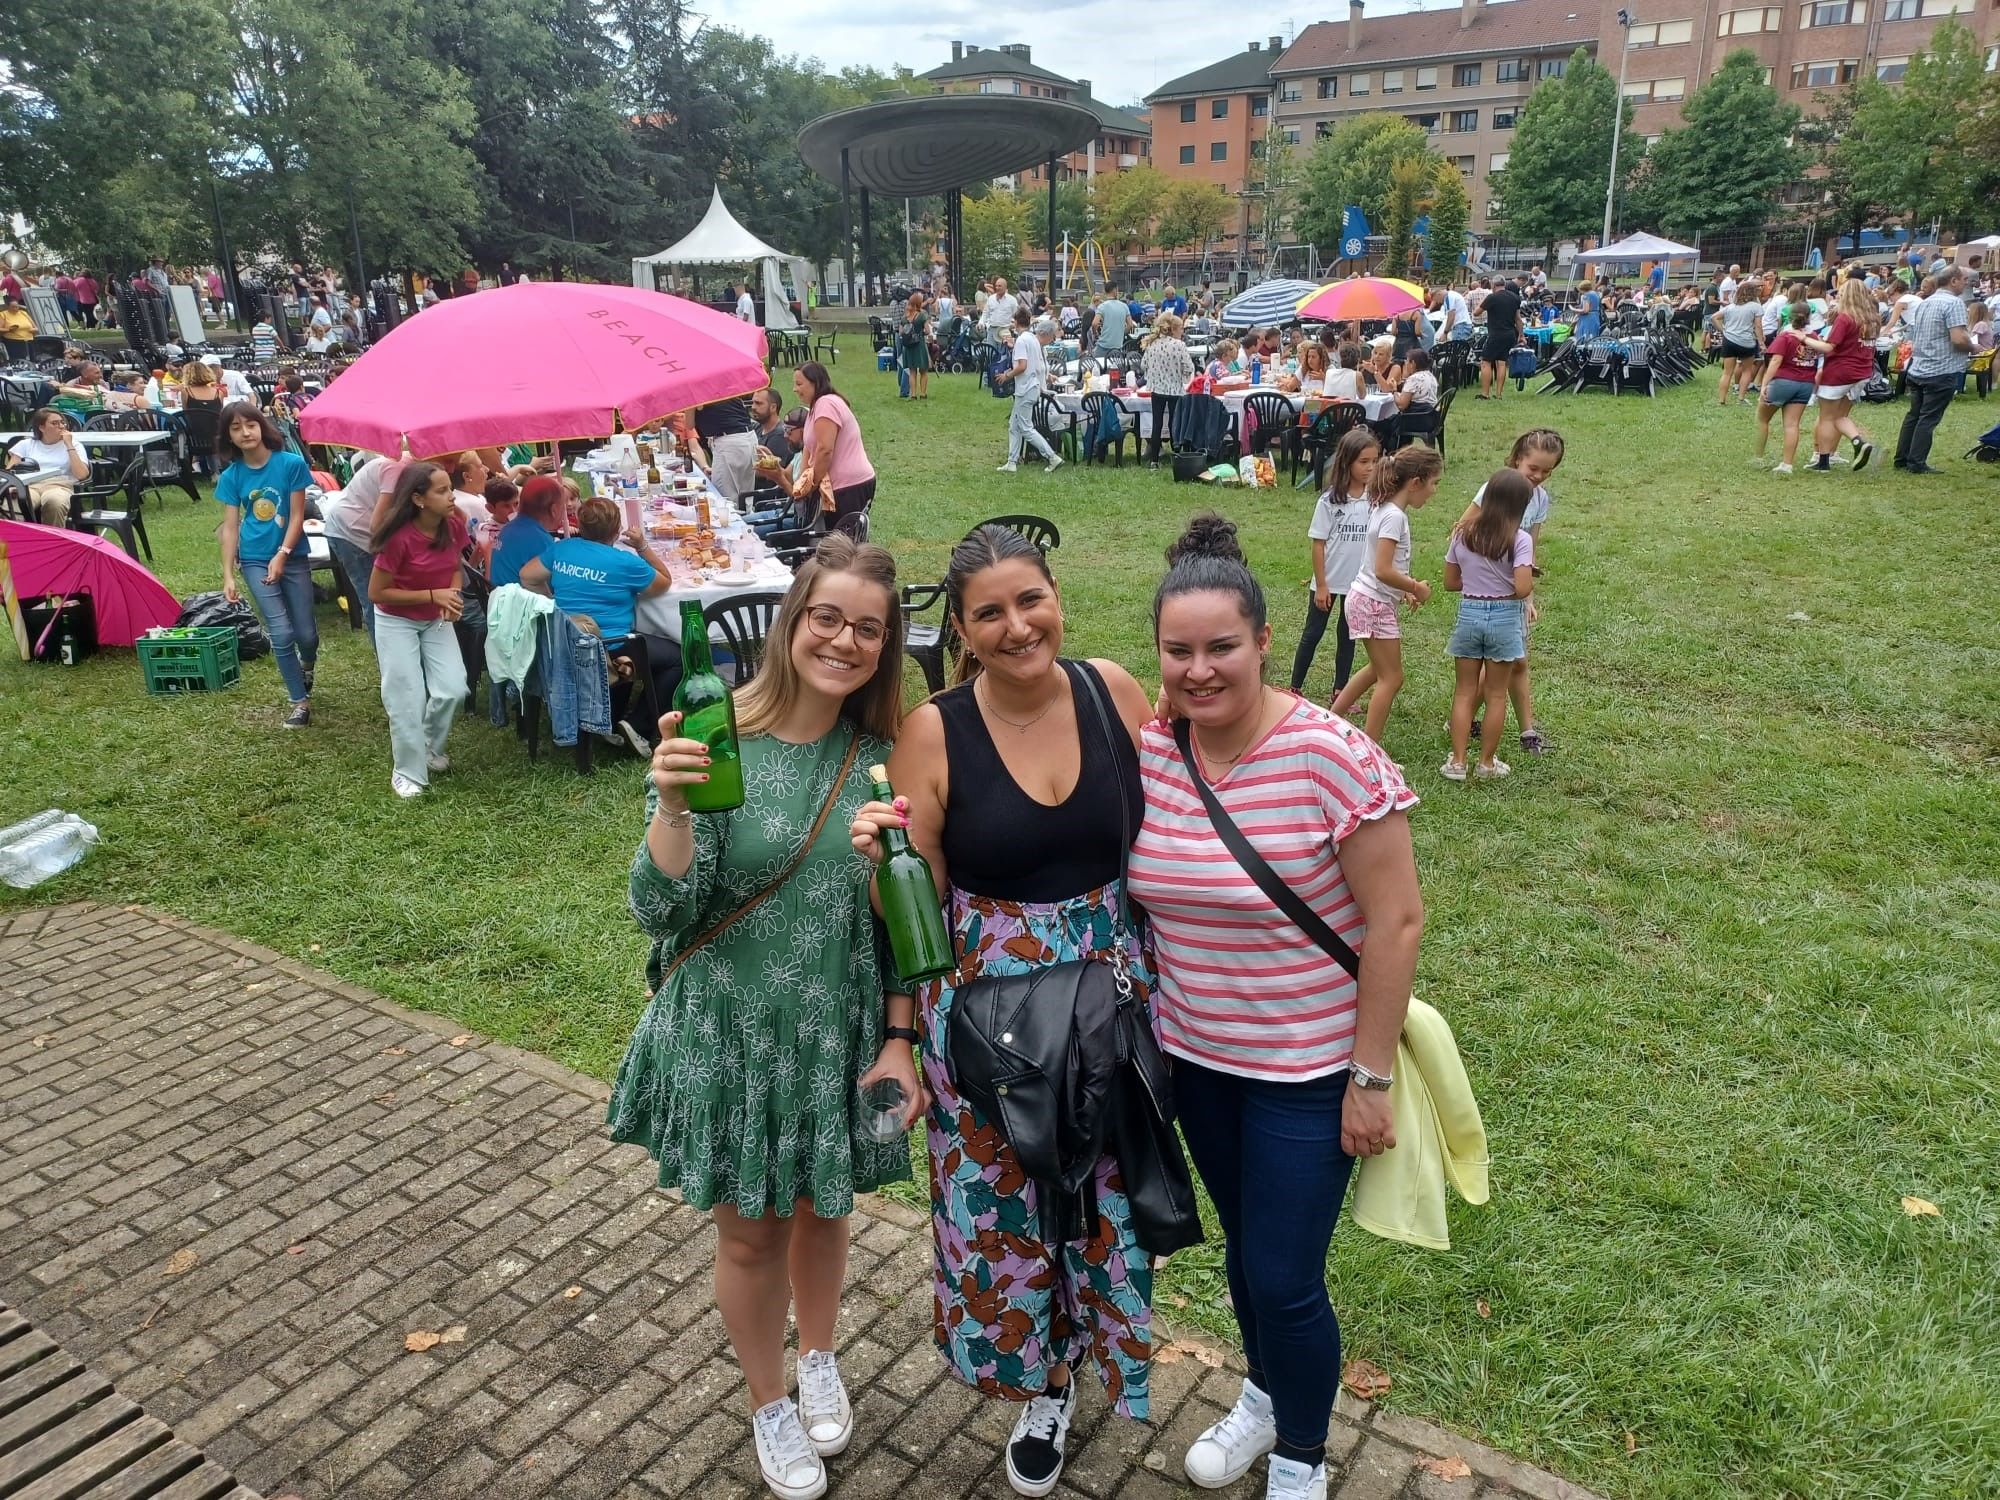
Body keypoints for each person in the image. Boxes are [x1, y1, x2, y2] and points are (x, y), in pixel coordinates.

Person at [851, 523, 1159, 1500]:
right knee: (1009, 1215)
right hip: (989, 1020)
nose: (1017, 625)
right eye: (989, 612)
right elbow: (912, 904)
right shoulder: (932, 733)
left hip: (1112, 1004)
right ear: (960, 627)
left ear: (1056, 595)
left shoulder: (1112, 689)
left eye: (1031, 600)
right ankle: (1046, 1381)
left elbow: (1172, 839)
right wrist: (899, 1038)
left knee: (1103, 1203)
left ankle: (1097, 1341)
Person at [1125, 513, 1420, 1500]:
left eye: (1221, 647)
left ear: (1260, 639)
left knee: (1286, 1278)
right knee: (1247, 1266)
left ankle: (1300, 1457)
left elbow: (1397, 922)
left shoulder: (1329, 756)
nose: (1198, 670)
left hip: (1304, 1074)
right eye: (1178, 652)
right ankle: (1261, 1398)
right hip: (1195, 1063)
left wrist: (1366, 1078)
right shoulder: (1149, 754)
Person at [615, 535, 917, 1500]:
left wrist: (887, 887)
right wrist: (669, 804)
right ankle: (768, 1402)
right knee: (750, 1233)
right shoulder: (712, 729)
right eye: (826, 617)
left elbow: (907, 927)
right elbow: (662, 909)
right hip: (734, 1033)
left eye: (868, 628)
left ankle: (819, 1354)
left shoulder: (885, 756)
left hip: (833, 1025)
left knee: (823, 1209)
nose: (845, 640)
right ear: (791, 623)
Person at [522, 496, 678, 748]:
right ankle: (639, 725)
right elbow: (664, 582)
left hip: (564, 641)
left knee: (642, 646)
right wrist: (642, 546)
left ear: (581, 527)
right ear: (617, 531)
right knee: (676, 659)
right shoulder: (625, 562)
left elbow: (527, 576)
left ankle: (611, 715)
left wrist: (551, 605)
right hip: (610, 646)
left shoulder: (563, 549)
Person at [1452, 429, 1563, 755]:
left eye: (1547, 471)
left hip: (1513, 595)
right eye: (1533, 468)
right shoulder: (1495, 490)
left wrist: (1527, 594)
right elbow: (1462, 530)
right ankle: (1480, 722)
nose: (1539, 476)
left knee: (1513, 662)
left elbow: (1531, 546)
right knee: (1507, 661)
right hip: (1488, 598)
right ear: (1517, 460)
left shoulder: (1540, 499)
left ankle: (1521, 728)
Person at [1330, 445, 1444, 748]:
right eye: (1434, 483)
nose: (1434, 491)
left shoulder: (1384, 507)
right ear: (1415, 482)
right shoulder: (1395, 517)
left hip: (1366, 598)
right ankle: (1371, 751)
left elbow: (1381, 566)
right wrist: (1414, 587)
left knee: (1376, 670)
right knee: (1392, 678)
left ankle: (1330, 721)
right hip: (1372, 602)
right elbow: (1382, 569)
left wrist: (1402, 589)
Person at [367, 462, 469, 798]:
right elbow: (376, 593)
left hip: (435, 616)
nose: (451, 495)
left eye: (450, 488)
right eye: (442, 491)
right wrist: (430, 595)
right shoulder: (398, 538)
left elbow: (454, 567)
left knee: (453, 689)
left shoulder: (453, 525)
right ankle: (407, 771)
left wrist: (451, 597)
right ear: (418, 499)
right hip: (395, 619)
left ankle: (427, 746)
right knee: (405, 696)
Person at [215, 402, 318, 729]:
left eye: (250, 425)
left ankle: (308, 664)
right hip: (255, 560)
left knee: (307, 635)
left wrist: (283, 553)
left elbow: (298, 516)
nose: (244, 432)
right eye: (235, 428)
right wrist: (229, 573)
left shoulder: (291, 464)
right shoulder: (232, 476)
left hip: (293, 556)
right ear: (228, 436)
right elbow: (230, 527)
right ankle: (299, 702)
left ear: (262, 427)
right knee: (282, 632)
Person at [1441, 470, 1537, 781]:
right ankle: (1486, 763)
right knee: (1496, 695)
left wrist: (1476, 584)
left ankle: (1457, 762)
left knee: (1464, 692)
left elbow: (1450, 582)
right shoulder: (1520, 539)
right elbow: (1522, 588)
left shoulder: (1462, 534)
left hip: (1469, 613)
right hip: (1505, 619)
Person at [1291, 428, 1378, 699]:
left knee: (1348, 636)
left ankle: (1340, 691)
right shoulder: (1329, 501)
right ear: (1346, 462)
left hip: (1358, 584)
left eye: (1374, 462)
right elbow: (1318, 544)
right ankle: (1295, 687)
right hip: (1328, 582)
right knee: (1313, 634)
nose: (1370, 468)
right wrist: (1321, 585)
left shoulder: (1376, 500)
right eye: (1363, 462)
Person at [1893, 264, 1971, 475]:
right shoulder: (1954, 303)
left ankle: (1901, 458)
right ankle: (1916, 462)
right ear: (1953, 280)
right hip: (1941, 369)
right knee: (1928, 418)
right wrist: (1974, 346)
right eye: (1964, 279)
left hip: (1918, 367)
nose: (1967, 283)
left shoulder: (1926, 303)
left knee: (1914, 416)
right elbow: (1958, 338)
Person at [1799, 279, 1880, 472]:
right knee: (1841, 415)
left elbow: (1829, 347)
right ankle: (1844, 449)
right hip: (1863, 372)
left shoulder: (1845, 318)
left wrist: (1803, 338)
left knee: (1828, 417)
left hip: (1839, 372)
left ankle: (1827, 458)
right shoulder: (1873, 318)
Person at [789, 361, 876, 526]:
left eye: (799, 384)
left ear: (815, 383)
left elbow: (825, 450)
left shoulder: (826, 404)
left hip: (850, 486)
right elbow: (809, 448)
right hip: (842, 486)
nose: (795, 389)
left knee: (845, 546)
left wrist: (812, 485)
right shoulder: (815, 408)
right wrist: (801, 484)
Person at [995, 310, 1064, 477]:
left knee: (1025, 427)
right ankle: (1012, 461)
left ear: (1016, 322)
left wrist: (1007, 375)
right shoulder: (1033, 340)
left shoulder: (1022, 341)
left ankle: (1051, 456)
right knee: (1014, 424)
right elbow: (1038, 366)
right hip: (1031, 387)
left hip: (1025, 388)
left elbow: (1022, 366)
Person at [1754, 303, 1819, 474]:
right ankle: (1787, 464)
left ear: (1788, 317)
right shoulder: (1813, 337)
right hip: (1805, 384)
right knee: (1792, 425)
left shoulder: (1785, 336)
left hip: (1783, 381)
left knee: (1762, 419)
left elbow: (1775, 361)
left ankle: (1757, 456)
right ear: (1809, 317)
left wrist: (1765, 384)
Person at [5, 408, 90, 525]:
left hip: (59, 485)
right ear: (41, 427)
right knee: (12, 504)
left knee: (54, 502)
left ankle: (53, 539)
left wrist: (69, 445)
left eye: (62, 422)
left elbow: (82, 475)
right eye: (54, 423)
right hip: (30, 486)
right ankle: (19, 539)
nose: (61, 426)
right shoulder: (26, 444)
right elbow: (10, 472)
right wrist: (13, 486)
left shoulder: (75, 445)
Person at [489, 472, 565, 590]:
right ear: (553, 510)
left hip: (499, 599)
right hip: (519, 605)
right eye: (563, 505)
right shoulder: (539, 540)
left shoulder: (508, 528)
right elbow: (556, 587)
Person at [1138, 311, 1194, 466]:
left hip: (1157, 388)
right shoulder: (1179, 345)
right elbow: (1189, 367)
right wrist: (1183, 377)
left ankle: (1154, 460)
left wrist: (1154, 373)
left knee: (1157, 424)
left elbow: (1143, 365)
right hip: (1175, 389)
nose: (1182, 332)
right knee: (1173, 423)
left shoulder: (1153, 344)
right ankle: (1176, 455)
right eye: (1181, 329)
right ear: (1173, 329)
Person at [697, 396, 759, 503]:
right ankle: (748, 517)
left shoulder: (696, 393)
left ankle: (733, 519)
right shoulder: (723, 389)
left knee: (724, 499)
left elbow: (689, 424)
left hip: (729, 441)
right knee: (746, 497)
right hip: (749, 437)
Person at [1711, 283, 1766, 405]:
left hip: (1729, 340)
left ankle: (1722, 399)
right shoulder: (1756, 307)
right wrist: (1761, 342)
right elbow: (1758, 326)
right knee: (1747, 371)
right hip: (1747, 342)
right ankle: (1741, 398)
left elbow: (1714, 317)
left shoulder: (1731, 307)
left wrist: (1723, 330)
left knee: (1727, 372)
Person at [1478, 276, 1522, 401]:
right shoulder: (1515, 297)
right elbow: (1518, 319)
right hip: (1510, 334)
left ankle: (1485, 394)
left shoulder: (1492, 297)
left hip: (1496, 334)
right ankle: (1499, 394)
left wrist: (1484, 304)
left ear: (1493, 285)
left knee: (1485, 361)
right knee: (1501, 363)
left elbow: (1476, 312)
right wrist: (1521, 335)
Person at [898, 291, 931, 400]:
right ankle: (923, 393)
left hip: (908, 347)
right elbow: (927, 330)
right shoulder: (922, 315)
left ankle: (913, 394)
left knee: (912, 371)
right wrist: (921, 332)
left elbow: (901, 333)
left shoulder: (904, 318)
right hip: (919, 345)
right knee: (923, 370)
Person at [750, 386, 794, 466]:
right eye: (752, 403)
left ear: (773, 407)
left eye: (758, 403)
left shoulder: (780, 435)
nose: (753, 407)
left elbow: (770, 472)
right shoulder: (758, 427)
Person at [1391, 349, 1438, 413]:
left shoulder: (1413, 379)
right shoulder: (1430, 376)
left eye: (1406, 361)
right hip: (1432, 416)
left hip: (1415, 418)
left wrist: (1394, 390)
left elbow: (1401, 405)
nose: (1405, 363)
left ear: (1412, 363)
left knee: (1382, 421)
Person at [1089, 285, 1129, 357]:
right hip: (1117, 345)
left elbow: (1094, 323)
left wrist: (1095, 334)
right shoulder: (1124, 306)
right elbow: (1130, 325)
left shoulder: (1102, 306)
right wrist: (1121, 333)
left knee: (1097, 366)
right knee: (1116, 366)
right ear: (1115, 291)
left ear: (1105, 292)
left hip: (1104, 344)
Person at [0, 296, 35, 363]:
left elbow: (35, 327)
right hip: (14, 341)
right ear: (8, 307)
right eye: (13, 307)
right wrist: (9, 329)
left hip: (29, 340)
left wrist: (33, 330)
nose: (16, 308)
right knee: (18, 361)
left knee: (31, 361)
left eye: (17, 306)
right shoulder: (3, 314)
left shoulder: (23, 313)